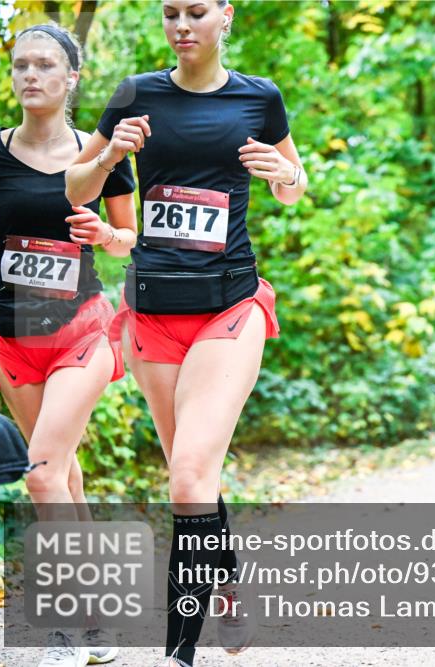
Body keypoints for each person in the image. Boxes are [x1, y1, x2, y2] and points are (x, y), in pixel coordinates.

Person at [65, 2, 306, 664]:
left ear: (224, 15)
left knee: (188, 478)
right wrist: (113, 150)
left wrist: (285, 175)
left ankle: (179, 652)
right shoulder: (136, 95)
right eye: (170, 12)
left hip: (230, 304)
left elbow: (295, 183)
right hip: (152, 311)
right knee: (193, 476)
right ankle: (225, 584)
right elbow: (76, 186)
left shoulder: (260, 98)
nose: (181, 24)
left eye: (195, 11)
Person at [0, 22, 137, 666]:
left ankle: (69, 626)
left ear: (71, 78)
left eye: (45, 65)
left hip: (82, 329)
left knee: (42, 474)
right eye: (21, 65)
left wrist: (104, 234)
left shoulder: (101, 153)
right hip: (10, 333)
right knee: (63, 473)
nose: (30, 76)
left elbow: (132, 238)